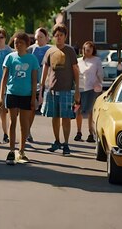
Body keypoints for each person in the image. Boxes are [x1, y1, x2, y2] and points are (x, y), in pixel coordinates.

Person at [39, 23, 80, 156]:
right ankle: (56, 141)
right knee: (54, 117)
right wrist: (41, 89)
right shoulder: (50, 51)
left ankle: (66, 144)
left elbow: (75, 70)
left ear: (65, 36)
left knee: (66, 117)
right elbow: (45, 70)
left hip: (66, 90)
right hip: (51, 90)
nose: (59, 38)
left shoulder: (70, 51)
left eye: (61, 35)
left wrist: (77, 90)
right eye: (56, 36)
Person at [0, 32, 39, 165]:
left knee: (24, 124)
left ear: (26, 44)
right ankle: (11, 151)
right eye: (16, 42)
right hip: (12, 93)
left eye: (20, 42)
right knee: (12, 122)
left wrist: (34, 97)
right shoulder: (10, 57)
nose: (18, 45)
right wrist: (1, 96)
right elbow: (4, 78)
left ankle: (21, 151)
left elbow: (34, 80)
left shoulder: (32, 59)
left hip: (26, 95)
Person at [27, 27, 52, 142]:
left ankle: (56, 137)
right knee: (31, 107)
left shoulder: (51, 49)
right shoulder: (30, 49)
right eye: (37, 38)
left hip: (47, 84)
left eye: (41, 37)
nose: (39, 40)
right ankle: (28, 130)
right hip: (32, 83)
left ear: (46, 38)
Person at [75, 41, 103, 143]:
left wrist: (99, 83)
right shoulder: (78, 61)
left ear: (93, 50)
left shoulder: (96, 60)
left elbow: (100, 73)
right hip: (80, 88)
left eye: (90, 49)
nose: (88, 51)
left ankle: (91, 133)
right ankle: (78, 132)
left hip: (91, 88)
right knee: (78, 110)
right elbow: (75, 74)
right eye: (86, 49)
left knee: (90, 110)